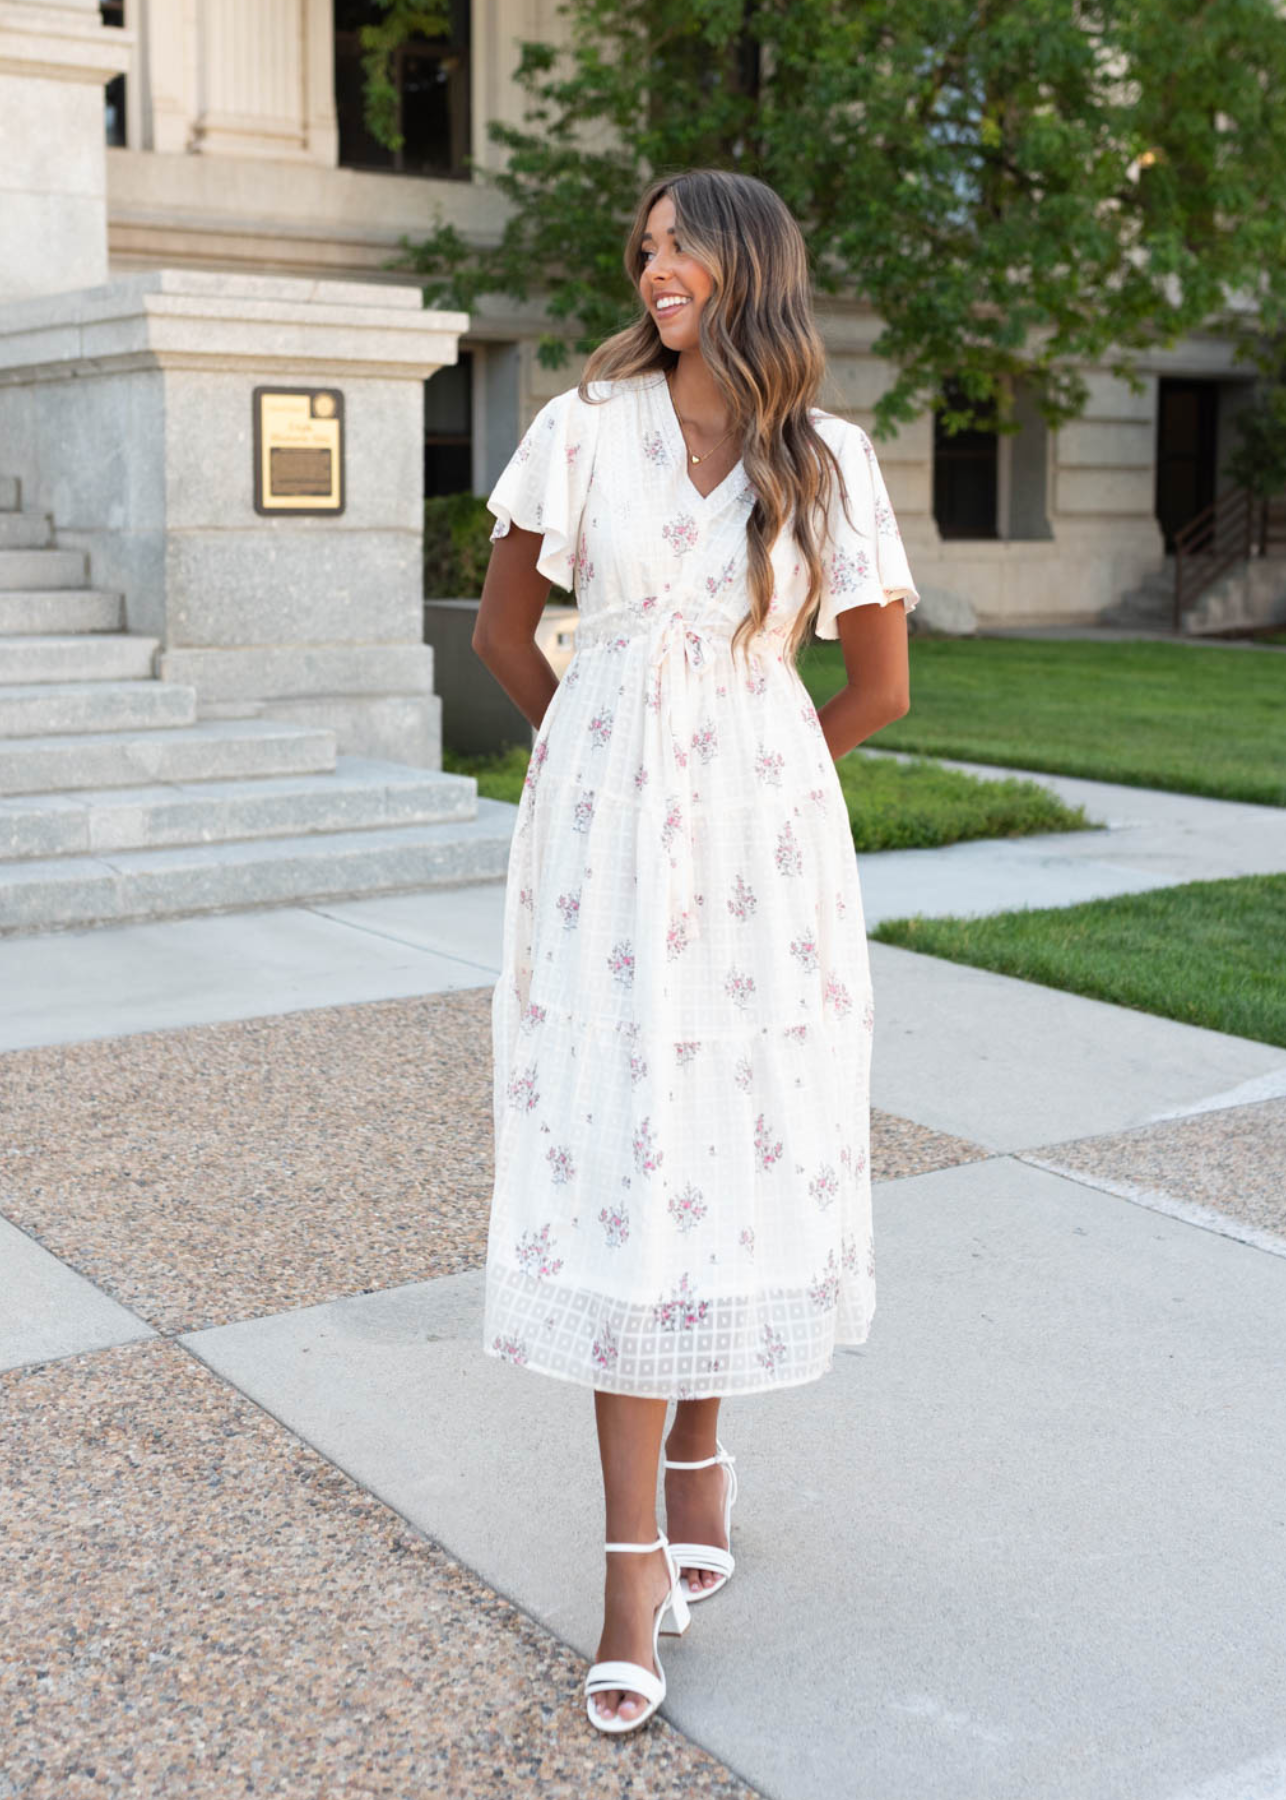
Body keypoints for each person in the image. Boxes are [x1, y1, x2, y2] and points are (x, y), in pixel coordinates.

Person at [472, 167, 919, 1734]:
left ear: (748, 267)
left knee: (726, 1137)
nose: (654, 270)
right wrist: (600, 767)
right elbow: (501, 631)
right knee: (622, 1155)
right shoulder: (584, 431)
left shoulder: (832, 461)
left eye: (680, 248)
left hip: (761, 866)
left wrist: (755, 784)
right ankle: (625, 1571)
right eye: (644, 250)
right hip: (600, 862)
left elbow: (875, 687)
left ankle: (702, 1451)